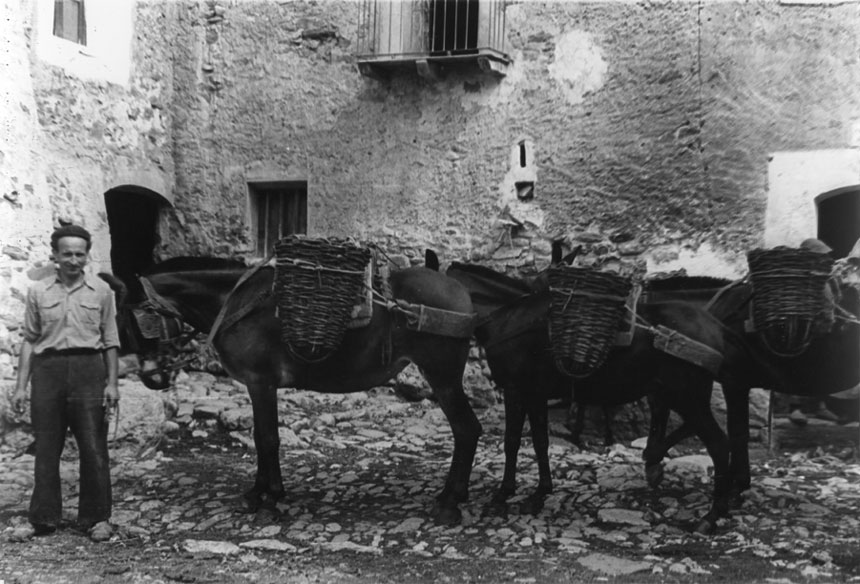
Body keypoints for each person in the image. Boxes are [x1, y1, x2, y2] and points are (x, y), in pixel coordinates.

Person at [10, 224, 120, 542]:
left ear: (87, 256)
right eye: (67, 253)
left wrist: (112, 385)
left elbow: (110, 342)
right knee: (46, 449)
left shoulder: (101, 293)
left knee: (93, 446)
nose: (73, 260)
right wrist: (20, 386)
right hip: (48, 373)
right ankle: (43, 518)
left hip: (89, 371)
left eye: (79, 254)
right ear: (55, 256)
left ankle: (97, 518)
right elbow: (30, 341)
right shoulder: (38, 292)